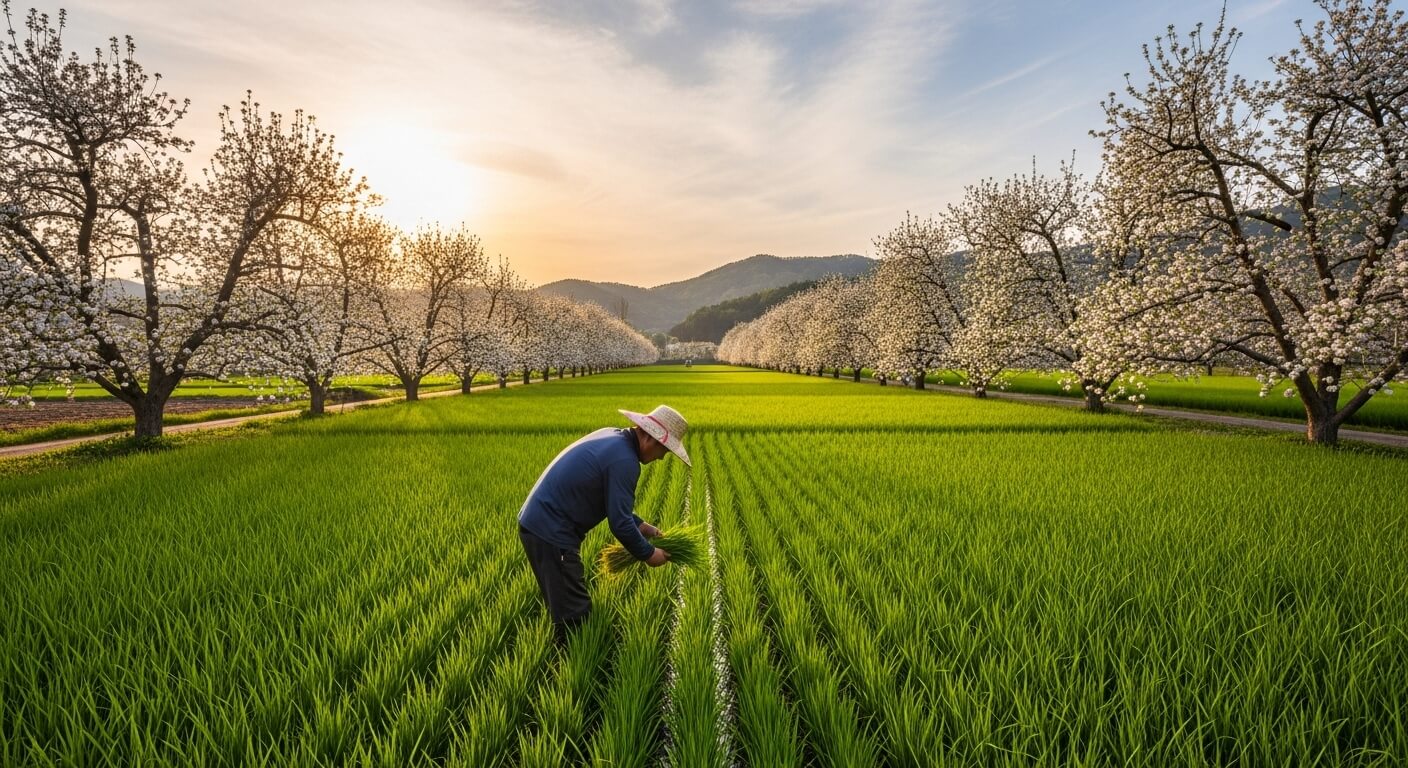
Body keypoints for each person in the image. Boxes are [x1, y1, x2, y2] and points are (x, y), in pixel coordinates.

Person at [517, 405, 691, 646]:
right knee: (575, 615)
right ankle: (570, 670)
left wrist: (644, 527)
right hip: (551, 531)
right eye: (665, 450)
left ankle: (566, 655)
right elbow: (619, 523)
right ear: (650, 437)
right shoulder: (625, 461)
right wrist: (650, 554)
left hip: (539, 523)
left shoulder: (614, 438)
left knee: (565, 602)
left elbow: (616, 509)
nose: (662, 457)